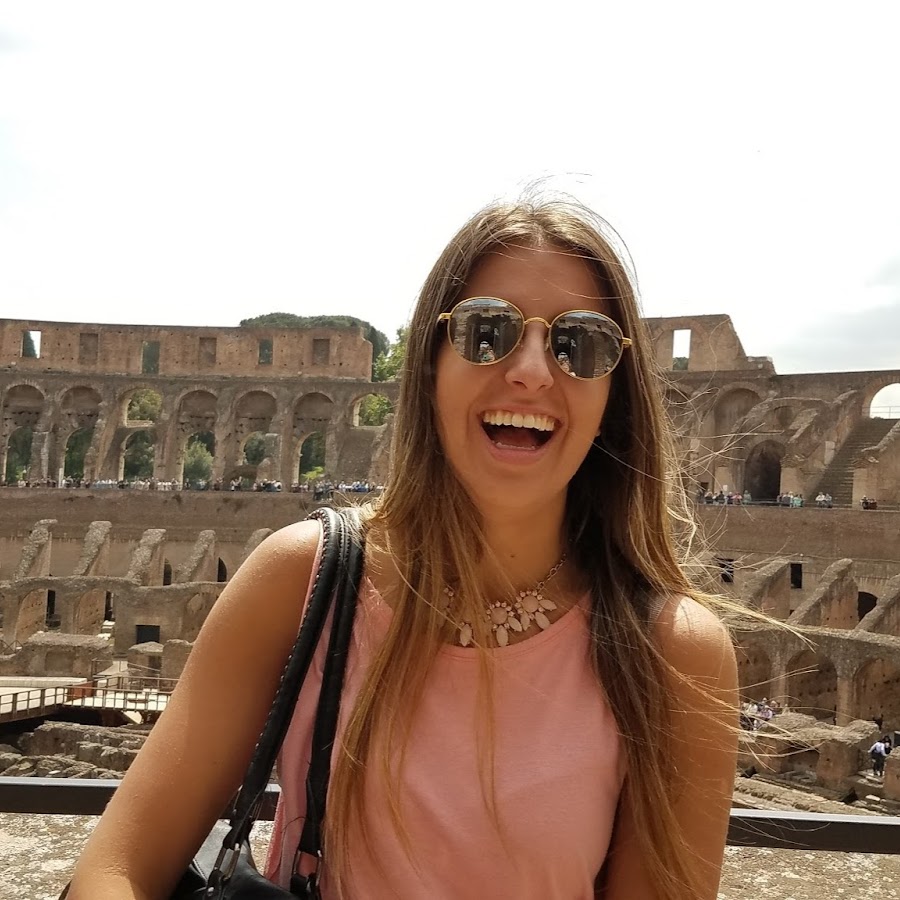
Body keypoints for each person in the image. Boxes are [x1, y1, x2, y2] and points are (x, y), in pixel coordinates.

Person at [67, 198, 740, 899]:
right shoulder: (300, 579)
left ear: (614, 395)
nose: (532, 370)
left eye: (582, 343)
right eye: (487, 331)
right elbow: (116, 869)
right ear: (429, 366)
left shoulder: (675, 655)